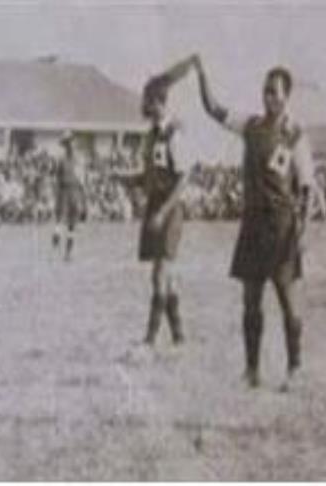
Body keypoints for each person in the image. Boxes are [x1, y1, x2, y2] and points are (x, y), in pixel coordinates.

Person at [193, 56, 317, 389]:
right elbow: (213, 109)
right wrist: (201, 74)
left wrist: (302, 232)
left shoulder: (295, 137)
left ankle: (295, 368)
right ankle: (252, 370)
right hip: (252, 225)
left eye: (275, 92)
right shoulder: (250, 126)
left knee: (287, 300)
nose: (269, 97)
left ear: (287, 96)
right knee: (250, 301)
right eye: (265, 91)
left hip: (282, 227)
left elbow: (306, 188)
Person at [116, 55, 196, 347]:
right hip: (155, 205)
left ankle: (149, 341)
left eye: (147, 101)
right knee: (167, 276)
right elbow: (150, 176)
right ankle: (179, 337)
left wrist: (164, 211)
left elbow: (184, 177)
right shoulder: (151, 136)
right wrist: (127, 178)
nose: (143, 106)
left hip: (169, 209)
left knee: (159, 273)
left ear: (158, 102)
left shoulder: (174, 133)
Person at [52, 132, 88, 261]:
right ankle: (55, 247)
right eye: (68, 143)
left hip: (75, 191)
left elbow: (82, 178)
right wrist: (57, 194)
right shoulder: (61, 160)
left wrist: (83, 196)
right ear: (65, 145)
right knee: (60, 221)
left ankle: (68, 253)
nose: (71, 145)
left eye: (72, 142)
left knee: (72, 224)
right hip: (64, 191)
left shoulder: (79, 160)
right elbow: (57, 178)